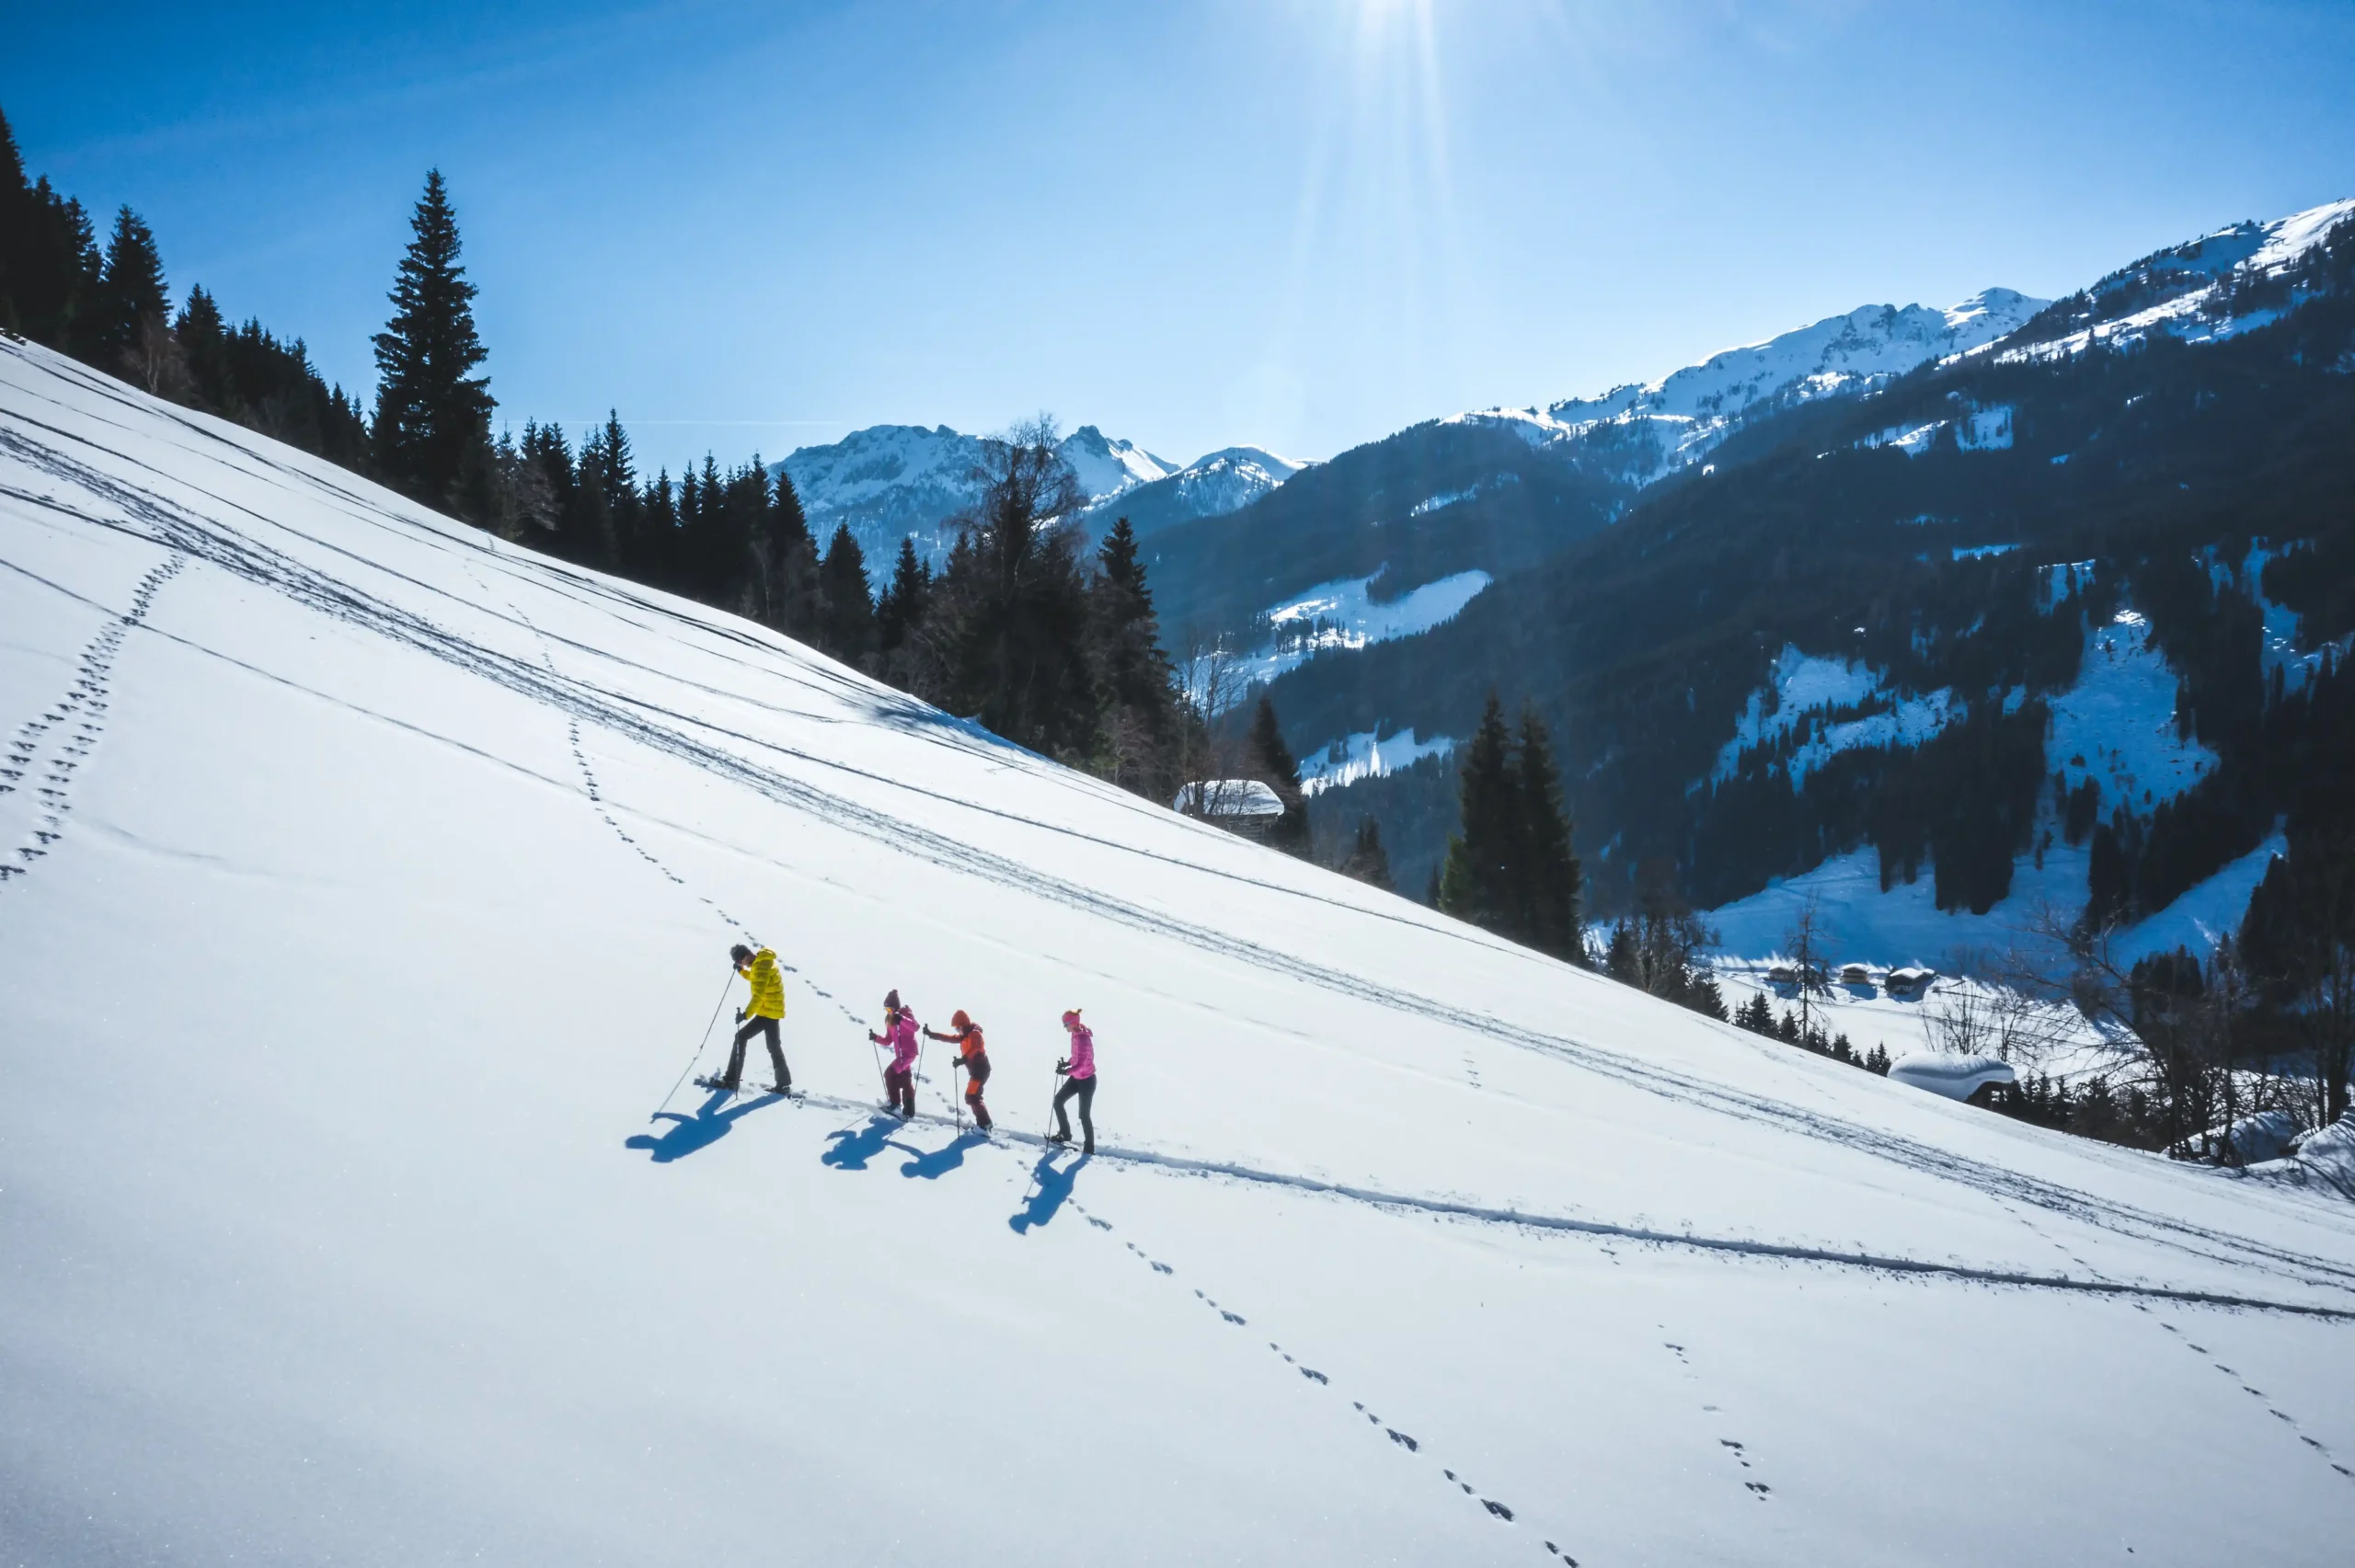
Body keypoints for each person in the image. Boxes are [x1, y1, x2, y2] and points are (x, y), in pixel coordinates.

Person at [718, 943, 789, 1093]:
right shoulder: (763, 961)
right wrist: (741, 972)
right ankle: (783, 1084)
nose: (741, 965)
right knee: (774, 1046)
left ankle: (731, 1080)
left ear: (743, 958)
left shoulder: (760, 969)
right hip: (772, 1011)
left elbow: (758, 996)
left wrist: (745, 1015)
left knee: (741, 1037)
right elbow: (756, 978)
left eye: (739, 962)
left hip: (767, 1012)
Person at [924, 1009, 992, 1130]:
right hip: (976, 1071)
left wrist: (962, 1060)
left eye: (958, 1028)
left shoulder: (975, 1034)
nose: (957, 1031)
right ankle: (984, 1124)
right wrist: (931, 1034)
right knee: (972, 1096)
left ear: (963, 1025)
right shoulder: (964, 1035)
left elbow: (975, 1048)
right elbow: (949, 1038)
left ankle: (984, 1125)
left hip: (980, 1070)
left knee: (972, 1096)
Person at [1049, 1008, 1096, 1154]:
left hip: (1087, 1081)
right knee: (1058, 1101)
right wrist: (1067, 1064)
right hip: (1077, 1078)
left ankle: (1089, 1148)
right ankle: (1065, 1134)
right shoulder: (1076, 1034)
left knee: (1084, 1115)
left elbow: (1082, 1065)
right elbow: (1077, 1058)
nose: (1065, 1028)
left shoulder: (1082, 1039)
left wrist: (1067, 1071)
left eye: (1065, 1025)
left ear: (1072, 1023)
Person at [868, 990, 920, 1118]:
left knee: (889, 1073)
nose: (889, 1012)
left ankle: (895, 1105)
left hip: (908, 1053)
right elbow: (888, 1040)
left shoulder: (905, 1014)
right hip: (901, 1055)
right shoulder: (890, 1021)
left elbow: (915, 1027)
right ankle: (909, 1111)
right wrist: (876, 1038)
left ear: (896, 1007)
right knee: (905, 1079)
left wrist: (901, 1019)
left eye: (890, 1009)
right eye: (887, 1010)